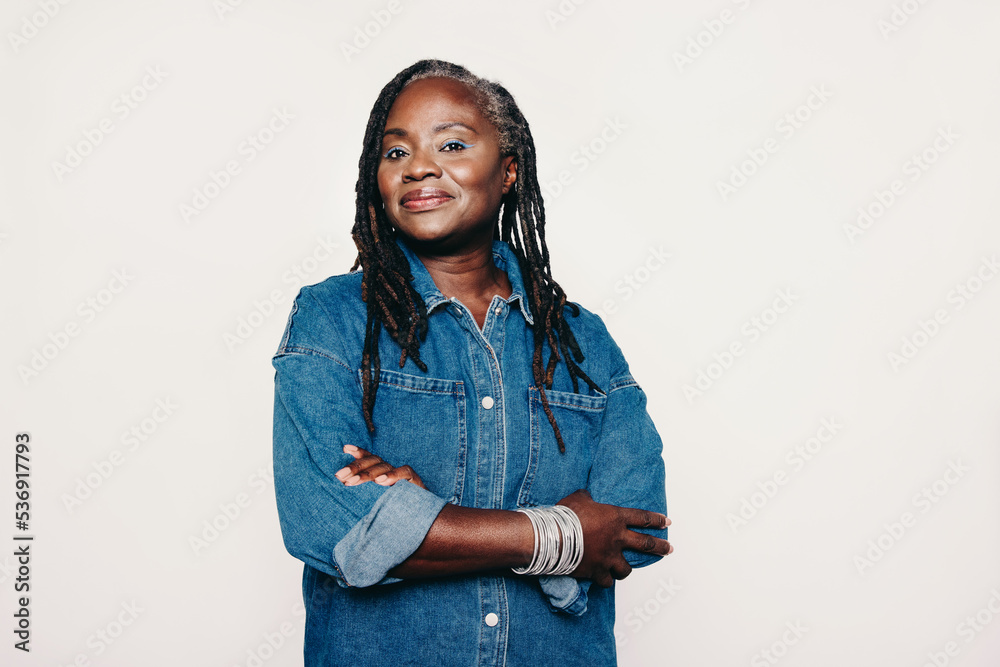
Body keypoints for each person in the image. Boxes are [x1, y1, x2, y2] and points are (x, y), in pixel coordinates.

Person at [272, 59, 672, 666]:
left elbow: (630, 531)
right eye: (395, 152)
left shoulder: (581, 342)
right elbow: (331, 523)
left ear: (509, 170)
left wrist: (416, 521)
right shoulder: (332, 320)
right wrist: (559, 535)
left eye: (452, 144)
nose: (419, 168)